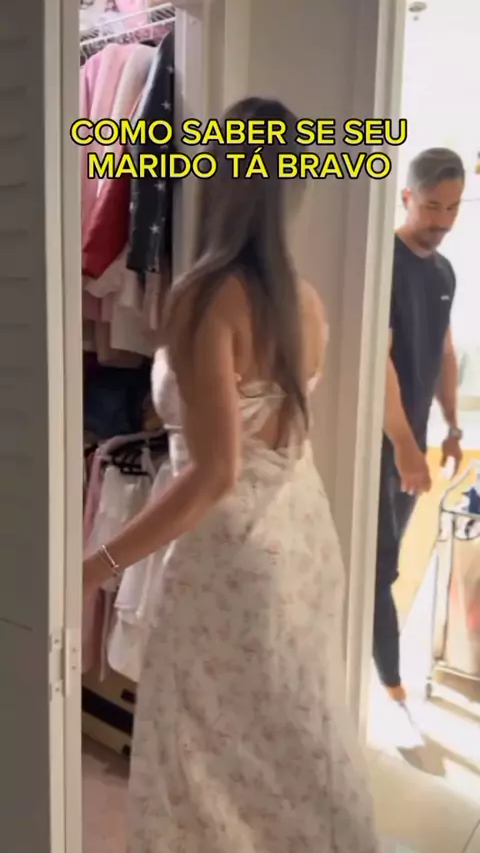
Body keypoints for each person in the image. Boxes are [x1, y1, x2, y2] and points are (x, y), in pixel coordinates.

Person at [83, 97, 381, 852]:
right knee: (296, 751)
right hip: (303, 541)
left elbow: (215, 473)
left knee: (199, 763)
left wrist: (96, 565)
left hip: (229, 557)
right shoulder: (303, 303)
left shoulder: (206, 295)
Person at [375, 148, 465, 704]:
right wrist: (404, 445)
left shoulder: (444, 270)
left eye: (453, 208)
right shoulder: (382, 259)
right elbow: (378, 360)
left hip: (415, 437)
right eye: (432, 206)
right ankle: (390, 683)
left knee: (387, 561)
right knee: (378, 566)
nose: (443, 221)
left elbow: (444, 350)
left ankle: (385, 678)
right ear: (407, 197)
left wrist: (453, 426)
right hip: (380, 441)